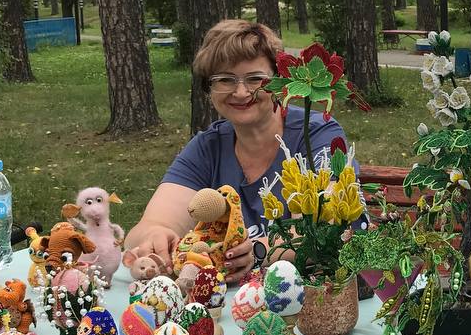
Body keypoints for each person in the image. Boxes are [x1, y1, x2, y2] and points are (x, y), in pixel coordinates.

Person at [124, 19, 347, 283]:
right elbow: (143, 231)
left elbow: (325, 231)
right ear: (209, 88)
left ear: (279, 83)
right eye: (225, 80)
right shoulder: (207, 147)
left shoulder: (317, 134)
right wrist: (156, 237)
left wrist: (257, 251)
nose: (241, 92)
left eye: (255, 79)